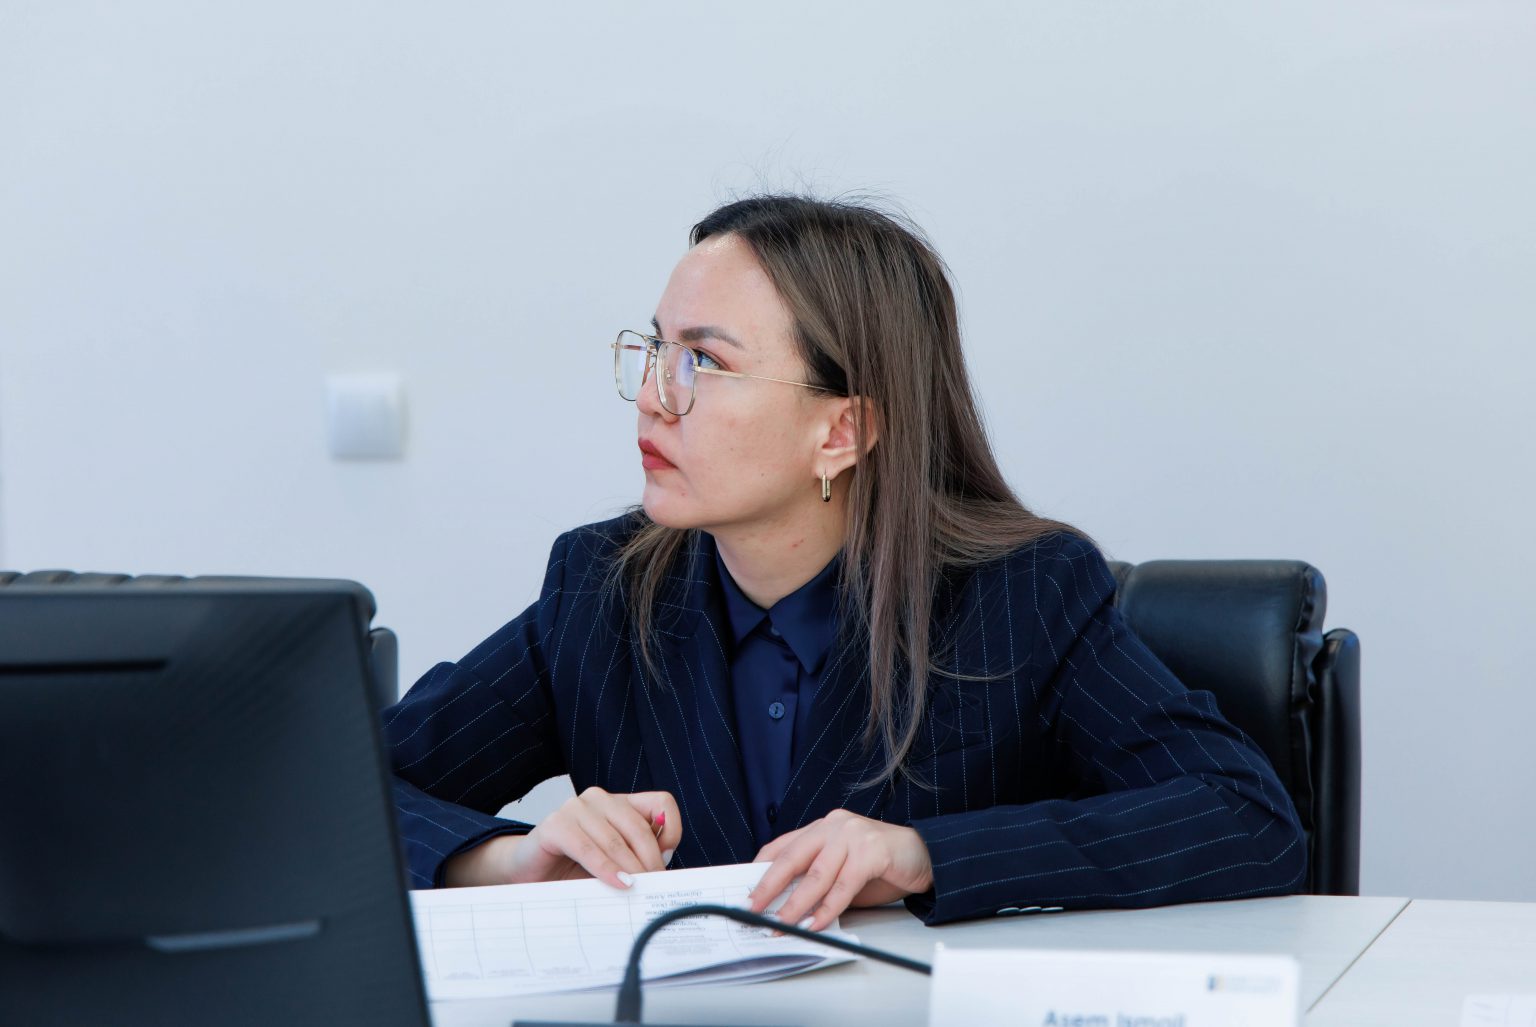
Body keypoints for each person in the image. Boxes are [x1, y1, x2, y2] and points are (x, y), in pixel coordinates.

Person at [385, 194, 1306, 927]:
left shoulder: (1023, 593)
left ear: (842, 431)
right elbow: (346, 790)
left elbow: (1245, 817)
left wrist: (923, 855)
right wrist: (507, 859)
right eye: (656, 350)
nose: (654, 398)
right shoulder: (603, 589)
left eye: (704, 363)